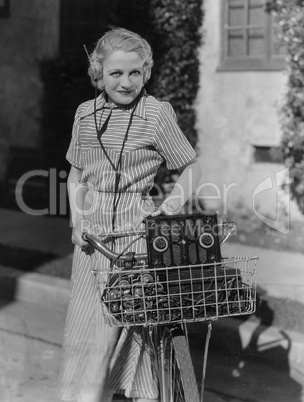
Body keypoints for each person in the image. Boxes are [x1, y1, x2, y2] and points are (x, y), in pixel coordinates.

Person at [60, 27, 201, 402]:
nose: (126, 82)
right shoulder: (85, 114)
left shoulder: (155, 114)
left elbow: (191, 167)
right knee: (87, 328)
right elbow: (76, 174)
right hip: (91, 238)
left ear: (147, 72)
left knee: (128, 332)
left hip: (135, 234)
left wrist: (166, 209)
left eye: (134, 73)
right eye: (115, 73)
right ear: (98, 74)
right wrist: (77, 221)